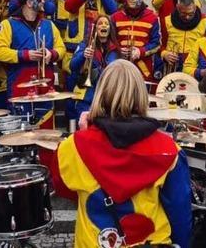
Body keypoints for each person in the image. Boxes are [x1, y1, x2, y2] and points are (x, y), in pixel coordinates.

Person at [50, 60, 192, 247]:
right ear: (141, 94)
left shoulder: (72, 147)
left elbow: (64, 189)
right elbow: (180, 216)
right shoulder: (170, 151)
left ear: (100, 93)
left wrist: (83, 134)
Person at [0, 0, 66, 128]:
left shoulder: (49, 24)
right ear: (29, 3)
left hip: (46, 89)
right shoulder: (8, 24)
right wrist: (25, 55)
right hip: (20, 88)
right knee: (22, 134)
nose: (43, 2)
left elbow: (61, 48)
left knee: (47, 135)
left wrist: (52, 54)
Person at [64, 0, 118, 73]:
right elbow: (69, 7)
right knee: (73, 73)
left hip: (99, 42)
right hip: (76, 42)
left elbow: (112, 10)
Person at [69, 15, 120, 124]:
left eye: (106, 23)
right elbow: (72, 66)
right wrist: (83, 55)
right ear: (95, 28)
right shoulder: (85, 44)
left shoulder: (115, 50)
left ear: (110, 28)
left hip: (107, 99)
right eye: (100, 23)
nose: (103, 26)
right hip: (86, 98)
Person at [111, 0, 160, 80]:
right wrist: (118, 49)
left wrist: (140, 52)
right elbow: (110, 40)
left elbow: (157, 44)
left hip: (143, 67)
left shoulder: (153, 17)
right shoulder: (115, 17)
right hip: (119, 63)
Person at [160, 0, 206, 75]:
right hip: (171, 66)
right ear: (177, 7)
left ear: (195, 7)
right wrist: (164, 54)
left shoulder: (205, 21)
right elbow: (159, 44)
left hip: (194, 68)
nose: (187, 17)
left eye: (191, 14)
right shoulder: (166, 20)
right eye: (183, 14)